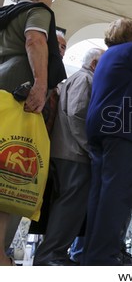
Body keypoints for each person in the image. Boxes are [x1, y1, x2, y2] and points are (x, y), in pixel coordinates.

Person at [82, 18, 132, 265]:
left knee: (99, 192)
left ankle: (92, 254)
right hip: (122, 125)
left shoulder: (107, 55)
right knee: (117, 192)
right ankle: (104, 256)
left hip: (98, 127)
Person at [0, 0, 66, 266]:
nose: (51, 1)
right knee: (6, 178)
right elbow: (35, 42)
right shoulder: (37, 10)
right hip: (14, 95)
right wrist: (40, 86)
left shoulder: (5, 15)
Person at [32, 47, 105, 266]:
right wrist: (89, 147)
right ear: (94, 64)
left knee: (67, 205)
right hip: (73, 153)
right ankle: (51, 256)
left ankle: (54, 254)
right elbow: (76, 113)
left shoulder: (79, 78)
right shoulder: (84, 78)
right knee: (69, 205)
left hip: (67, 151)